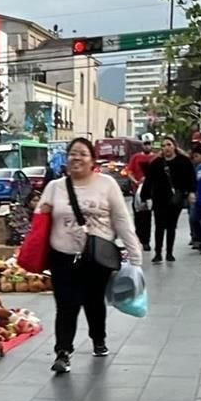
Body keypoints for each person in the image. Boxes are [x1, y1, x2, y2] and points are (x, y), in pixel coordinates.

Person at [38, 137, 143, 374]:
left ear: (93, 160)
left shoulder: (107, 184)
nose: (77, 158)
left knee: (94, 302)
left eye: (83, 154)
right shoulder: (55, 187)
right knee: (66, 304)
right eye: (73, 153)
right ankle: (63, 352)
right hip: (63, 256)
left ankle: (98, 338)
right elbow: (40, 220)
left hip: (97, 257)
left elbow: (121, 220)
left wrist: (135, 255)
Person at [141, 135, 196, 263]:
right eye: (164, 145)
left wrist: (191, 192)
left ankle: (169, 253)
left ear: (174, 146)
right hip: (159, 198)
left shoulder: (184, 161)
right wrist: (145, 197)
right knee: (159, 226)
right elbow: (149, 181)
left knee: (171, 226)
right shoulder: (156, 163)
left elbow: (191, 178)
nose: (166, 148)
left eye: (169, 145)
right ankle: (158, 253)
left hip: (175, 199)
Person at [127, 133, 157, 251]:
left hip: (150, 192)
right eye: (145, 144)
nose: (147, 146)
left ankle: (146, 241)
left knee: (147, 217)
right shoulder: (135, 158)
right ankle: (139, 237)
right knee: (138, 217)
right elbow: (129, 172)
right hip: (137, 191)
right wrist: (136, 181)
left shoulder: (155, 158)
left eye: (149, 144)